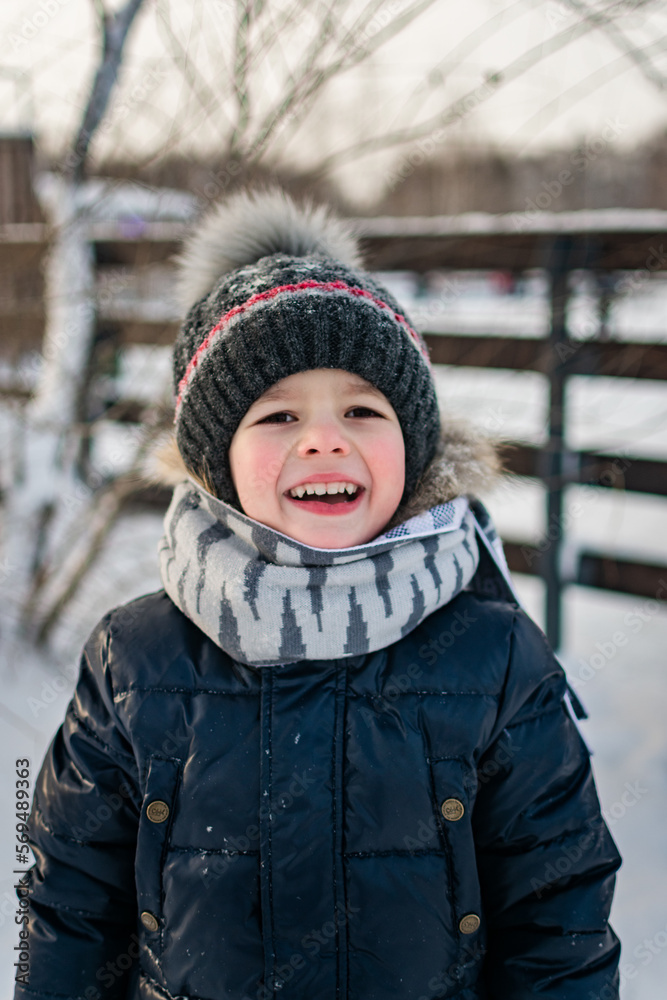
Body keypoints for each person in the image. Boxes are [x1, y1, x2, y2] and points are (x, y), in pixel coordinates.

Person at [16, 189, 621, 1000]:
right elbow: (69, 904)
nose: (324, 437)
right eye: (277, 415)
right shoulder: (137, 657)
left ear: (413, 446)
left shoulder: (490, 652)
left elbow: (559, 909)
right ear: (215, 458)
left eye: (363, 409)